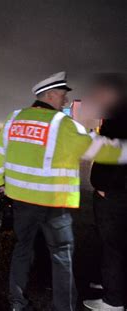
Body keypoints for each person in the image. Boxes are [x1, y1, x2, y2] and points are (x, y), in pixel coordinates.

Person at [0, 71, 127, 311]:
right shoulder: (61, 125)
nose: (64, 101)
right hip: (53, 204)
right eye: (62, 96)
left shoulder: (14, 118)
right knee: (62, 257)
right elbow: (101, 149)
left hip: (21, 201)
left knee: (22, 250)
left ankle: (17, 303)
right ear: (50, 95)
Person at [83, 74, 127, 311]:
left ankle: (113, 301)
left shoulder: (119, 118)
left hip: (114, 194)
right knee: (114, 244)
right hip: (117, 191)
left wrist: (104, 187)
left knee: (113, 246)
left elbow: (116, 155)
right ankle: (110, 284)